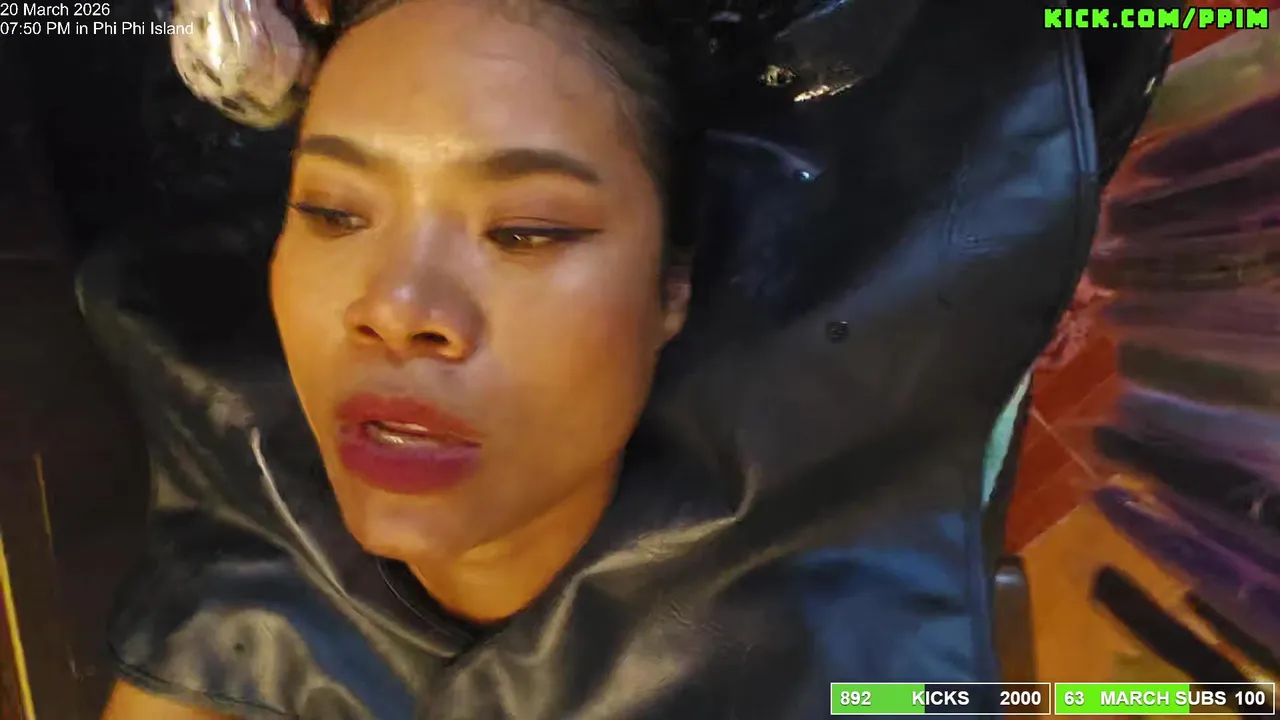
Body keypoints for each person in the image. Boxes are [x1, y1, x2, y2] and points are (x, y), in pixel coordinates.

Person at [77, 0, 1171, 718]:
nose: (397, 309)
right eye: (331, 211)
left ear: (671, 288)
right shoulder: (234, 571)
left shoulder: (835, 639)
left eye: (525, 231)